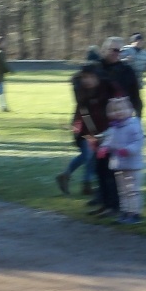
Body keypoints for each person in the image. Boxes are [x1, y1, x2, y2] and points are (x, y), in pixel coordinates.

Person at [57, 63, 106, 198]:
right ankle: (67, 176)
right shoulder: (82, 90)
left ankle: (86, 183)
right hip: (82, 127)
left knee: (92, 154)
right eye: (86, 77)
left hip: (94, 126)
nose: (88, 80)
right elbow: (84, 113)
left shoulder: (100, 87)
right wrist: (93, 133)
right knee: (88, 153)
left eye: (91, 76)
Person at [99, 96, 145, 224]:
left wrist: (127, 150)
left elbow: (138, 142)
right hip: (118, 163)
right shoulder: (113, 128)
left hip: (132, 164)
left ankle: (135, 213)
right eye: (114, 110)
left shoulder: (134, 125)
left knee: (132, 190)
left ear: (130, 109)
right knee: (122, 190)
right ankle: (125, 211)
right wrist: (104, 148)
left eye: (121, 109)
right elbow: (108, 141)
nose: (118, 112)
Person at [97, 36, 143, 117]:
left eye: (120, 51)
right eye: (114, 50)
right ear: (104, 49)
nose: (117, 53)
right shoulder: (95, 68)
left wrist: (138, 118)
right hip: (98, 117)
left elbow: (135, 97)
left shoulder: (127, 71)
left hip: (121, 120)